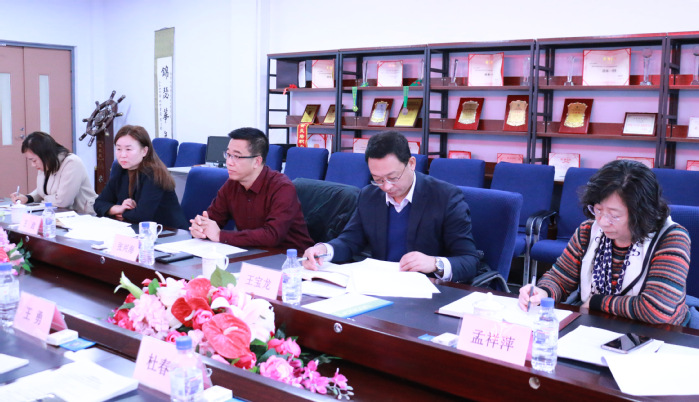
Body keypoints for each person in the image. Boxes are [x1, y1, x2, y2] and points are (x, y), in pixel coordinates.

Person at [519, 159, 691, 326]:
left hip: (660, 334)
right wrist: (543, 292)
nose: (602, 221)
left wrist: (597, 302)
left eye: (614, 215)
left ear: (642, 213)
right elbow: (560, 278)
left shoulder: (671, 238)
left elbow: (656, 309)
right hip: (598, 326)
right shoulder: (588, 231)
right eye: (598, 210)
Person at [302, 130, 483, 283]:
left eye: (393, 177)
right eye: (378, 179)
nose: (387, 187)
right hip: (380, 285)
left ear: (411, 164)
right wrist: (324, 250)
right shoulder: (370, 196)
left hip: (427, 290)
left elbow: (469, 260)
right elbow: (350, 240)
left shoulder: (445, 197)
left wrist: (435, 263)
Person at [189, 127, 313, 252]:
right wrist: (200, 228)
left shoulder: (282, 188)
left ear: (257, 161)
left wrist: (220, 236)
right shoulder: (232, 185)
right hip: (252, 255)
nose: (229, 162)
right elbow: (213, 219)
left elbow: (272, 235)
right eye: (228, 155)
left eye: (236, 156)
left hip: (290, 258)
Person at [94, 125, 188, 229]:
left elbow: (142, 216)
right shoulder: (120, 169)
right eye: (119, 149)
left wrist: (122, 212)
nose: (122, 155)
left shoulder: (154, 173)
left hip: (169, 232)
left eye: (128, 149)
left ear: (144, 151)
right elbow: (99, 203)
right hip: (138, 230)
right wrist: (118, 209)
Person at [10, 131, 97, 215]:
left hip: (84, 215)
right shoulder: (45, 164)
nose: (33, 165)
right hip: (59, 214)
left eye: (34, 160)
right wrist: (28, 198)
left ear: (45, 155)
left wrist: (45, 200)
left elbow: (63, 201)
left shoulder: (72, 163)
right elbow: (43, 190)